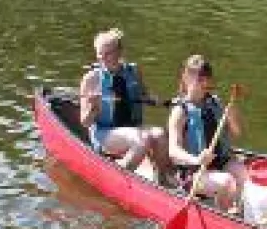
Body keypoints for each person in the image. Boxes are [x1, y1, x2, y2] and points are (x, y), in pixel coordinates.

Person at [78, 28, 172, 184]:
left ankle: (161, 181)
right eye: (100, 53)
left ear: (119, 52)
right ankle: (116, 180)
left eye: (108, 53)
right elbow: (85, 122)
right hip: (105, 133)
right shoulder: (91, 79)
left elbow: (143, 95)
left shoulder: (133, 71)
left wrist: (155, 100)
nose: (102, 58)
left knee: (160, 135)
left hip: (133, 127)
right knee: (142, 139)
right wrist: (93, 107)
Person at [166, 55, 247, 211]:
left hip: (220, 162)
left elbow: (237, 133)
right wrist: (196, 159)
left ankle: (241, 214)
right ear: (186, 78)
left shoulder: (215, 102)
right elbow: (173, 151)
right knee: (227, 182)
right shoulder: (180, 111)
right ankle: (226, 218)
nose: (205, 83)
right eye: (200, 78)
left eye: (207, 78)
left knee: (245, 177)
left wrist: (232, 115)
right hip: (194, 171)